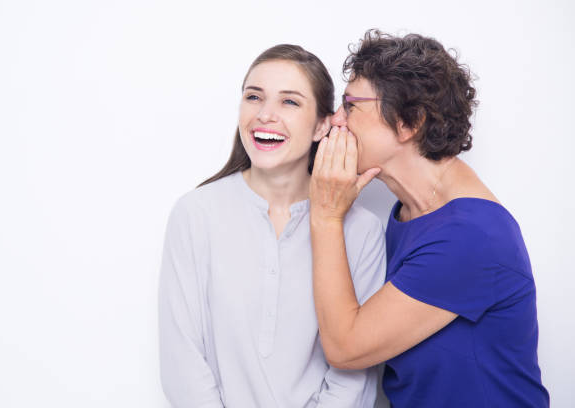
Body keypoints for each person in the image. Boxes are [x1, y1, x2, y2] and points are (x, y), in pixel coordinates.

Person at [308, 30, 550, 407]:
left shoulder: (471, 236)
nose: (336, 119)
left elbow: (345, 347)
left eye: (351, 105)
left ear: (409, 122)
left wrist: (324, 214)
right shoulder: (408, 213)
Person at [158, 44, 386, 407]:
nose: (265, 115)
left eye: (289, 102)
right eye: (253, 97)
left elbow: (355, 373)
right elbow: (181, 361)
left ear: (322, 125)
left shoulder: (362, 230)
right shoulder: (196, 214)